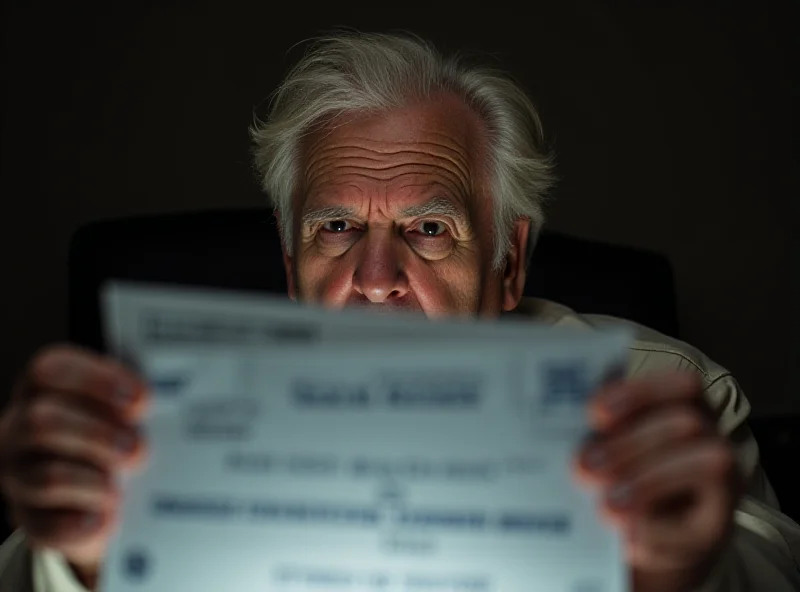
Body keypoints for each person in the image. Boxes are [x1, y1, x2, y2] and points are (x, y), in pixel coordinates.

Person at [0, 31, 798, 592]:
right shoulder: (168, 410)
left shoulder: (660, 391)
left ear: (508, 265)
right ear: (290, 268)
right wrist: (87, 563)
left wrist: (675, 575)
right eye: (336, 228)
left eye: (428, 229)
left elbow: (769, 570)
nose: (376, 279)